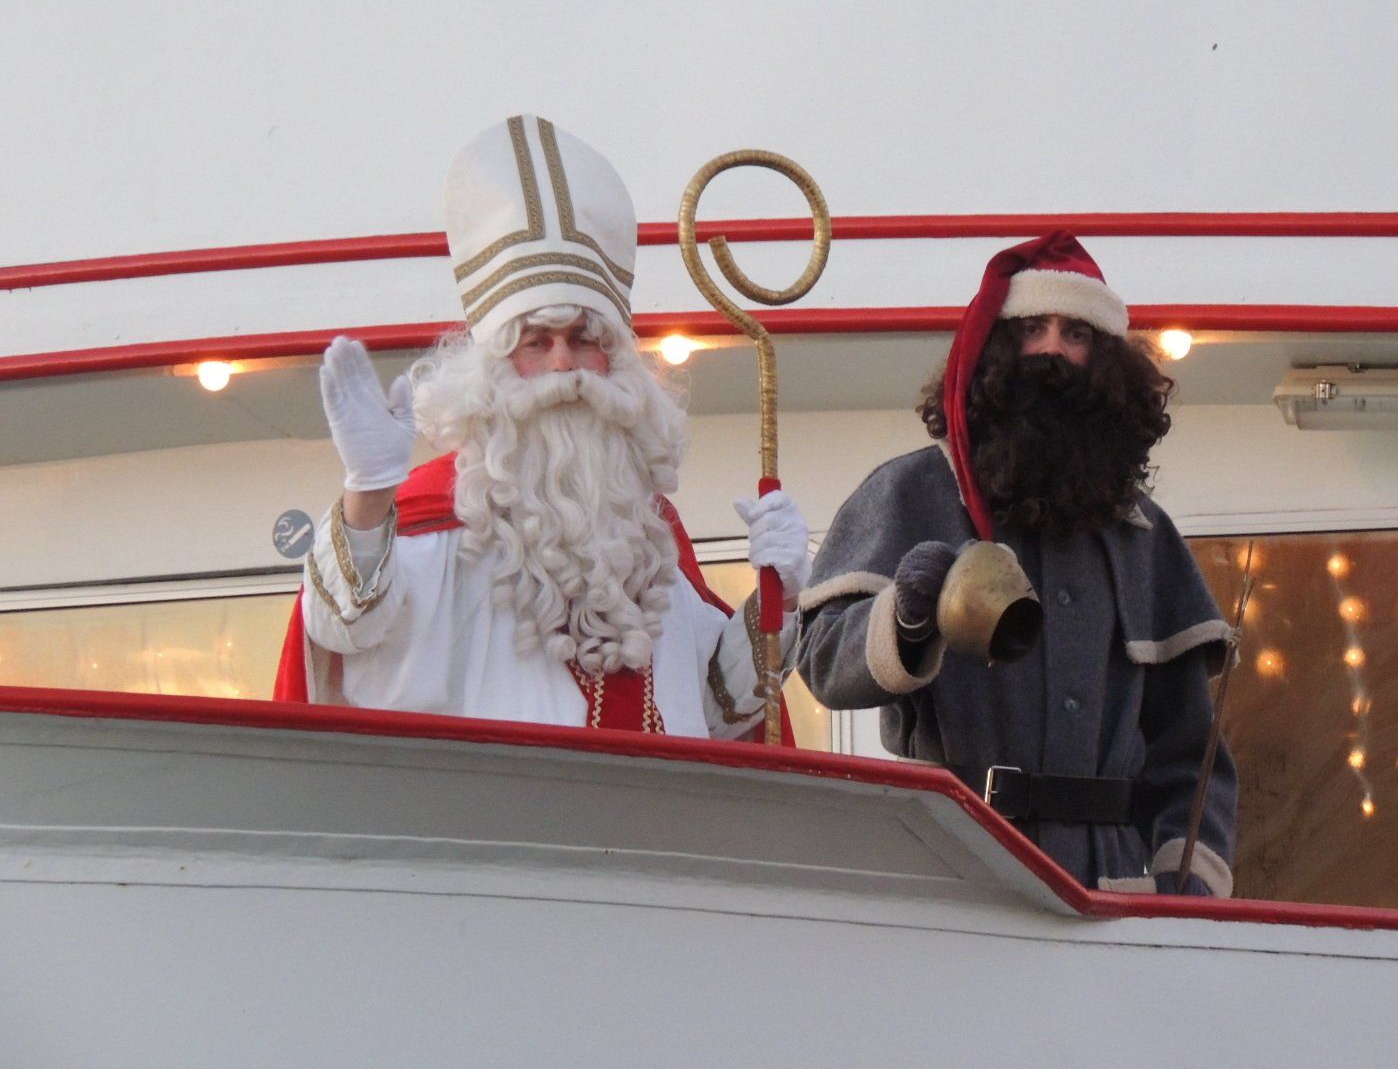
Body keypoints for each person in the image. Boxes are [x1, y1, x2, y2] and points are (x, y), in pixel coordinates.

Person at [276, 114, 810, 739]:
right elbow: (342, 630)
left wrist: (779, 597)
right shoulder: (440, 517)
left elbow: (717, 713)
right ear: (492, 370)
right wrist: (368, 493)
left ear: (616, 365)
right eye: (536, 342)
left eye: (584, 339)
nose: (563, 365)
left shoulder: (645, 530)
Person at [796, 232, 1237, 895]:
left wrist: (1188, 885)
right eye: (1033, 328)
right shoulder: (914, 492)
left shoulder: (1144, 536)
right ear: (998, 348)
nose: (1052, 350)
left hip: (1107, 890)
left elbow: (1189, 756)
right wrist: (906, 618)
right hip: (955, 870)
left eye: (1075, 334)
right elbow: (823, 663)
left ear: (1105, 366)